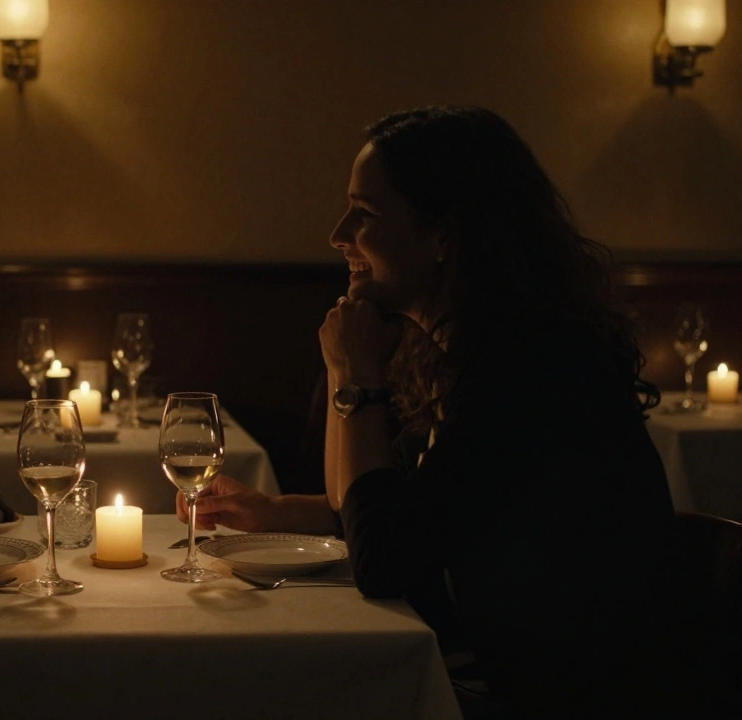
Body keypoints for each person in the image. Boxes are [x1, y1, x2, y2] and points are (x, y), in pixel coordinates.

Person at [179, 106, 677, 718]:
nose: (338, 234)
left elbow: (384, 560)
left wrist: (355, 378)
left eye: (366, 214)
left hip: (553, 696)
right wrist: (276, 511)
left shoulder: (533, 368)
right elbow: (388, 509)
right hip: (494, 671)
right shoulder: (456, 349)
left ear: (444, 235)